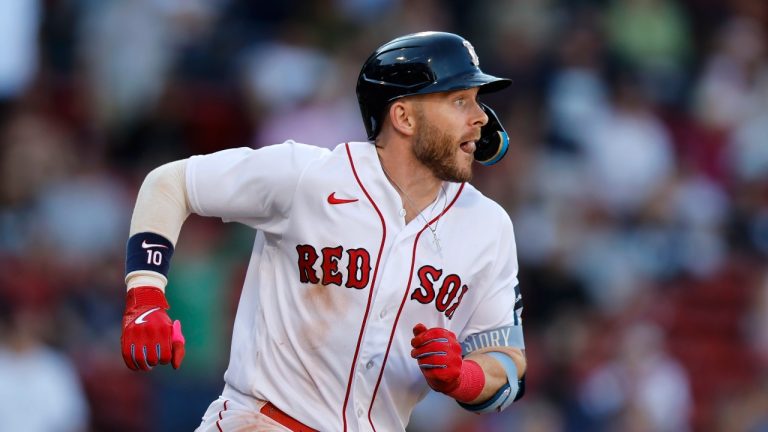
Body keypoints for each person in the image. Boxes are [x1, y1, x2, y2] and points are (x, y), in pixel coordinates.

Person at [120, 31, 527, 432]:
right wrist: (146, 294)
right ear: (403, 117)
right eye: (460, 101)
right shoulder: (309, 176)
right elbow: (170, 184)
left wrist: (465, 378)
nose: (480, 119)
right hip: (262, 422)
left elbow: (509, 366)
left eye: (477, 102)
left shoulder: (487, 226)